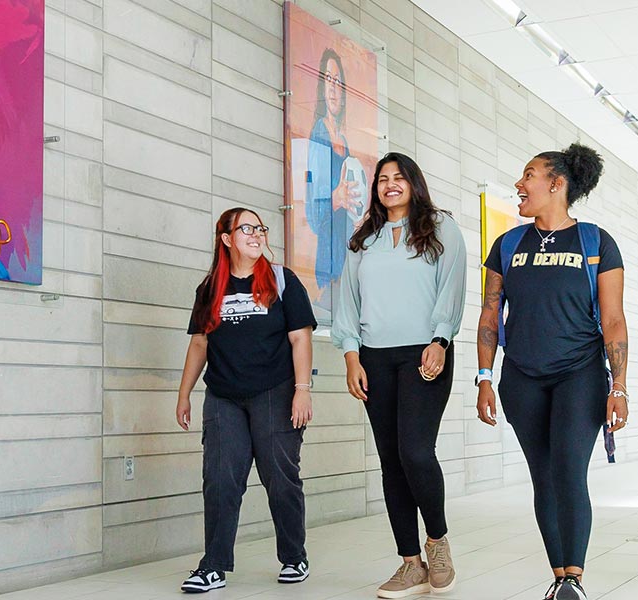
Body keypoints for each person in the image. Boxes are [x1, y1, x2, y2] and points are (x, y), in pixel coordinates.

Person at [476, 143, 629, 600]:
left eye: (529, 175)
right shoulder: (507, 245)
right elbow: (490, 315)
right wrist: (484, 377)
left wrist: (619, 386)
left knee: (568, 469)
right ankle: (560, 576)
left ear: (556, 184)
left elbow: (613, 319)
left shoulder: (596, 243)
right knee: (542, 475)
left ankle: (573, 579)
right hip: (521, 377)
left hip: (579, 374)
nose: (519, 184)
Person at [332, 152, 467, 598]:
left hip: (425, 353)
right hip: (374, 357)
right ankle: (410, 564)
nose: (390, 184)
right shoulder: (363, 240)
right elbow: (347, 303)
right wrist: (351, 357)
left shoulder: (441, 227)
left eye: (398, 177)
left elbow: (451, 288)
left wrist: (441, 339)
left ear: (413, 182)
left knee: (416, 452)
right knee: (391, 459)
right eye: (382, 179)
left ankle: (437, 542)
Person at [176, 207, 318, 593]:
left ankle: (294, 557)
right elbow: (200, 344)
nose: (257, 234)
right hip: (223, 396)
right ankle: (213, 566)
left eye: (260, 228)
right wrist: (184, 394)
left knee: (280, 477)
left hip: (275, 390)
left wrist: (302, 390)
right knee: (220, 479)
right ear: (227, 239)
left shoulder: (282, 280)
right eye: (247, 229)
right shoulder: (210, 289)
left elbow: (300, 337)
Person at [305, 47, 362, 311]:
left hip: (345, 255)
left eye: (337, 81)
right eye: (327, 79)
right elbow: (315, 215)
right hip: (329, 261)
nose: (332, 88)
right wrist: (336, 199)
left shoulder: (344, 140)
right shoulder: (319, 134)